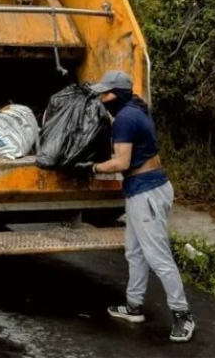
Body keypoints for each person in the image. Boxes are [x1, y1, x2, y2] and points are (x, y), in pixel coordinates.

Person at [73, 70, 195, 343]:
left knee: (158, 257)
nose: (102, 98)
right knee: (135, 253)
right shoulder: (136, 108)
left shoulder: (125, 119)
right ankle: (134, 306)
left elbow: (121, 163)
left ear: (120, 94)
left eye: (106, 93)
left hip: (146, 193)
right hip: (146, 189)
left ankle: (182, 314)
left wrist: (92, 167)